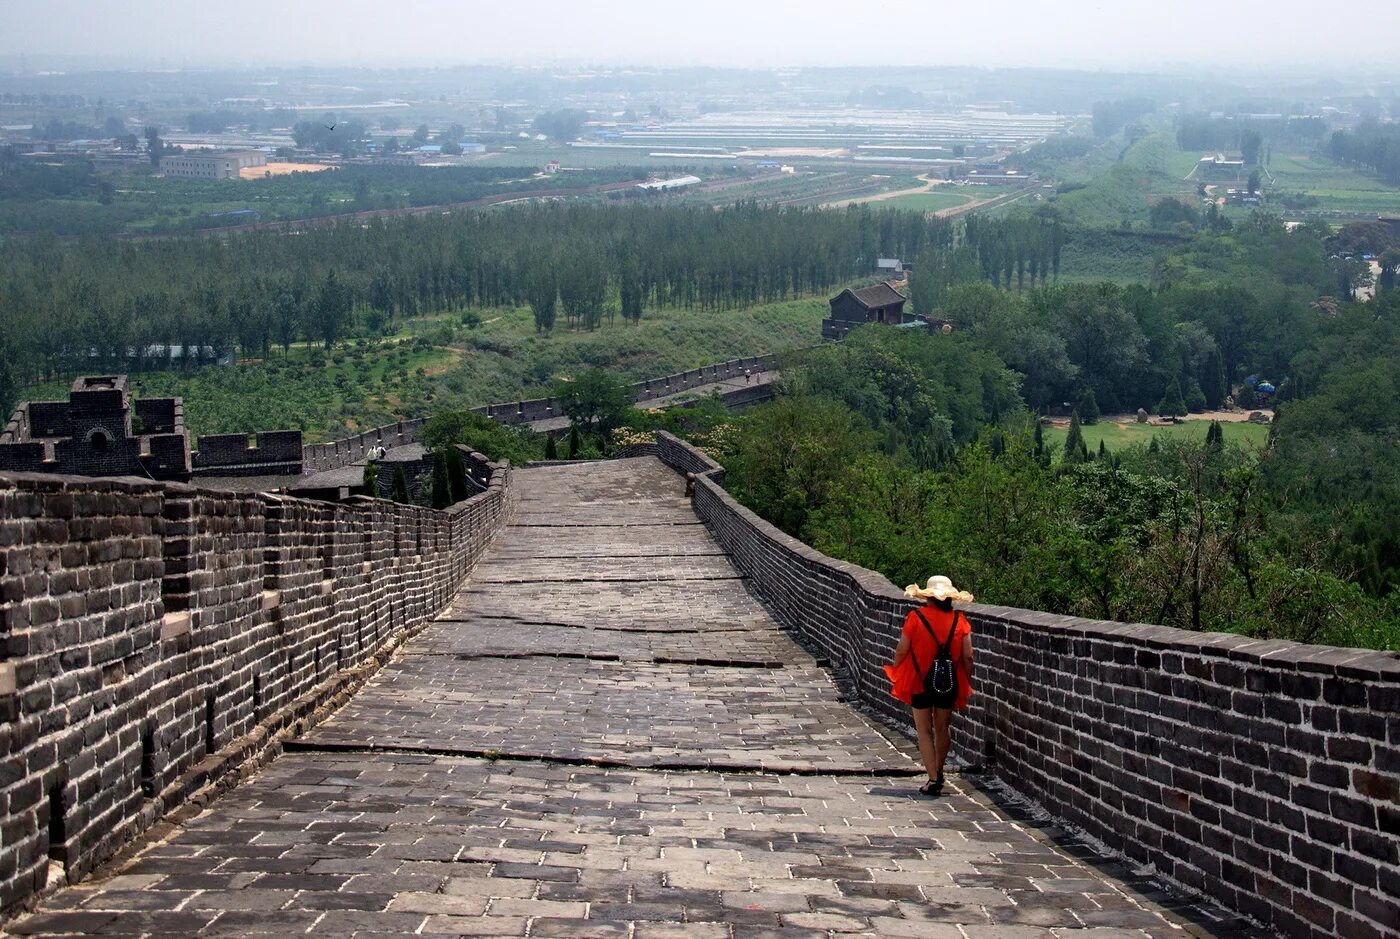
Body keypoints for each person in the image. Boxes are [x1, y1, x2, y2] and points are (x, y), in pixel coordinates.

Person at [883, 575, 975, 797]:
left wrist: (896, 667)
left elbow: (902, 649)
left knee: (924, 730)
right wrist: (966, 678)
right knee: (943, 728)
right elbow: (968, 656)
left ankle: (933, 779)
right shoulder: (959, 620)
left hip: (918, 681)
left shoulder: (915, 617)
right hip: (947, 682)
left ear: (928, 597)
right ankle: (939, 770)